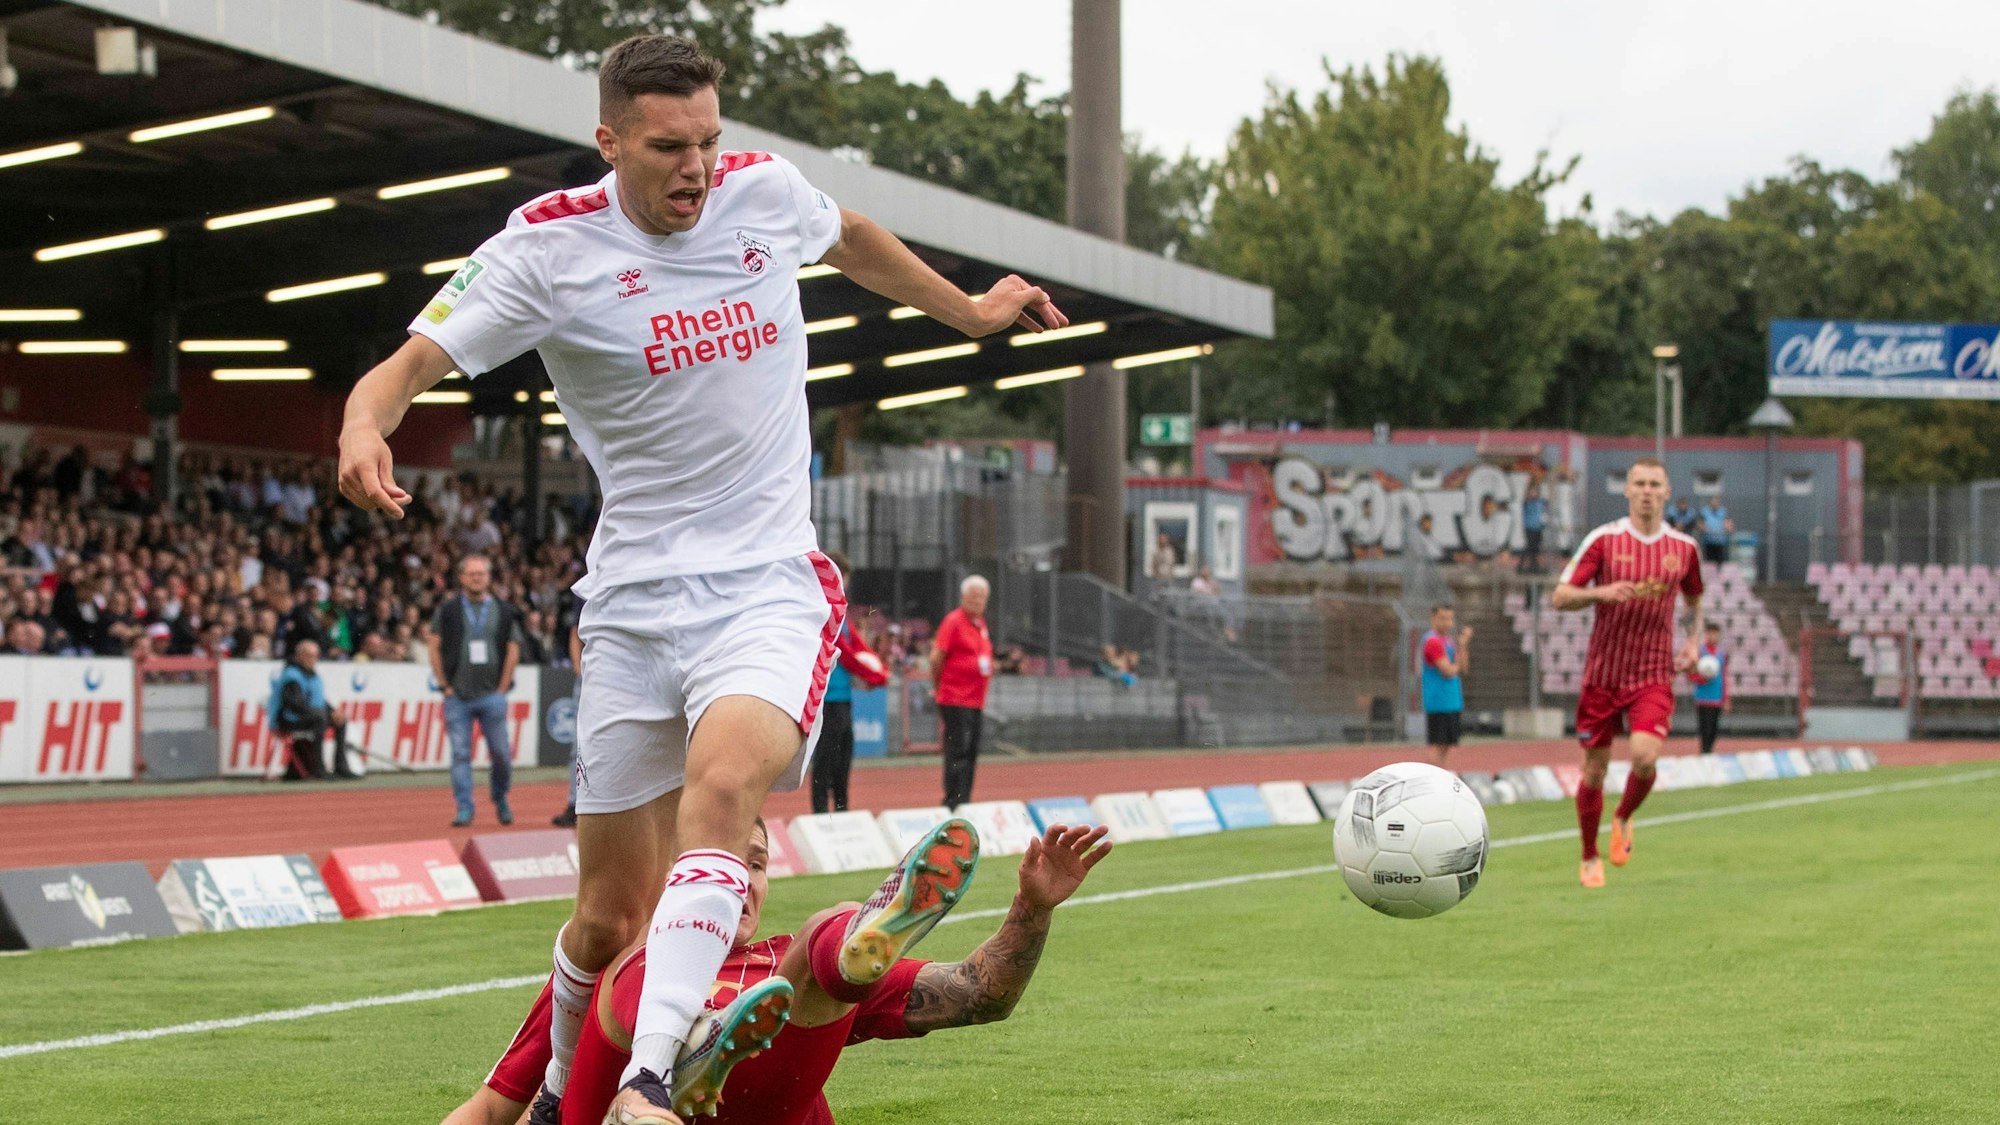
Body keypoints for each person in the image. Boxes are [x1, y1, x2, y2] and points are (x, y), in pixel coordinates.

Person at [336, 33, 1069, 1125]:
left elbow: (852, 237)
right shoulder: (544, 249)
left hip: (767, 583)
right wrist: (361, 423)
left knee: (722, 797)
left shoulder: (761, 195)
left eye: (708, 141)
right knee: (601, 918)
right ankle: (545, 1097)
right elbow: (409, 366)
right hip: (630, 607)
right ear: (610, 141)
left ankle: (648, 1083)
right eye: (668, 146)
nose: (695, 167)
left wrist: (966, 312)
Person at [442, 817, 1110, 1125]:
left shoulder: (774, 955)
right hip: (605, 1096)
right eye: (724, 866)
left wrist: (1032, 906)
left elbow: (978, 993)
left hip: (764, 1086)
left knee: (815, 950)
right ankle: (667, 1062)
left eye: (755, 864)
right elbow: (491, 1108)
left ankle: (837, 953)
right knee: (629, 968)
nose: (742, 882)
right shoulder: (627, 966)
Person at [1552, 458, 1704, 889]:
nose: (1647, 491)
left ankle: (1623, 816)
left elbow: (1695, 601)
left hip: (1653, 674)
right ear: (1627, 491)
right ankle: (1587, 854)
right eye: (1639, 483)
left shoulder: (1684, 549)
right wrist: (1601, 592)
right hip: (1603, 675)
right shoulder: (1604, 540)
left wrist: (1692, 642)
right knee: (1594, 771)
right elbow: (1560, 597)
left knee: (1644, 757)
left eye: (1655, 484)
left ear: (1667, 491)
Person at [429, 554, 520, 827]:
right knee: (460, 753)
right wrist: (444, 684)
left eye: (481, 574)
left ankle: (500, 796)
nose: (477, 578)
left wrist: (503, 687)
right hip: (457, 696)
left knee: (501, 753)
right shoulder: (448, 609)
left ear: (489, 578)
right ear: (462, 577)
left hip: (492, 695)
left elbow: (513, 648)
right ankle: (464, 807)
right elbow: (434, 645)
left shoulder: (503, 609)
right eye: (471, 574)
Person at [811, 551, 888, 814]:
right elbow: (844, 651)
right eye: (844, 577)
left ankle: (843, 814)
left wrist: (878, 671)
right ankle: (820, 814)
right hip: (826, 698)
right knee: (824, 760)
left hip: (843, 698)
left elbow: (858, 646)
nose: (846, 584)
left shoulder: (842, 612)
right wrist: (875, 676)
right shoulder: (822, 609)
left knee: (843, 759)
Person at [931, 575, 994, 809]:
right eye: (974, 595)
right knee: (957, 751)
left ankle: (965, 800)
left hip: (976, 700)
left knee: (971, 752)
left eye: (982, 597)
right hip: (955, 697)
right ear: (963, 597)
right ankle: (952, 801)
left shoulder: (981, 625)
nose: (978, 600)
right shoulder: (954, 621)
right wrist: (939, 685)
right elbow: (937, 657)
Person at [267, 639, 352, 781]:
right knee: (320, 719)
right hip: (285, 719)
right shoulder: (291, 675)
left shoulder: (313, 675)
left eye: (315, 656)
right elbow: (293, 703)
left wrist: (332, 712)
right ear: (299, 656)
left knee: (340, 720)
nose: (313, 659)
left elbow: (318, 700)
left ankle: (341, 766)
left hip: (306, 717)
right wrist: (320, 714)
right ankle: (318, 769)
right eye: (309, 655)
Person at [1420, 605, 1471, 767]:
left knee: (1446, 745)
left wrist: (1463, 644)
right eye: (1443, 618)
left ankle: (1440, 775)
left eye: (1450, 619)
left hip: (1451, 701)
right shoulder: (1432, 641)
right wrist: (1454, 667)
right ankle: (1433, 780)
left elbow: (1463, 668)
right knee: (1437, 745)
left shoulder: (1447, 641)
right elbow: (1447, 671)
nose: (1447, 623)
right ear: (1433, 618)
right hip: (1438, 701)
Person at [1691, 621, 1728, 755]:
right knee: (1704, 729)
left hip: (1716, 698)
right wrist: (1702, 679)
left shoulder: (1720, 654)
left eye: (1716, 634)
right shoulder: (1700, 652)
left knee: (1714, 729)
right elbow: (1691, 674)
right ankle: (1704, 752)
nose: (1713, 636)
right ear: (1706, 634)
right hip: (1703, 697)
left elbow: (1724, 677)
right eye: (1711, 633)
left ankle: (1709, 752)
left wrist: (1725, 698)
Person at [1518, 481, 1547, 574]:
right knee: (1529, 547)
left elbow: (1550, 498)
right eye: (1532, 491)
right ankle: (1521, 566)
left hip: (1538, 528)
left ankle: (1534, 566)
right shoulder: (1527, 502)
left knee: (1536, 548)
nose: (1534, 493)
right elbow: (1525, 496)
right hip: (1529, 528)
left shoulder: (1540, 502)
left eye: (1535, 491)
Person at [1698, 495, 1733, 566]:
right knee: (1709, 561)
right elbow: (1700, 523)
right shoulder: (1705, 511)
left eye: (1716, 502)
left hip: (1720, 540)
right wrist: (1705, 529)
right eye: (1713, 502)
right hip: (1709, 540)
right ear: (1710, 502)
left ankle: (1719, 575)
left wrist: (1728, 527)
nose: (1715, 504)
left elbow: (1728, 522)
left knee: (1720, 561)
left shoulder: (1723, 511)